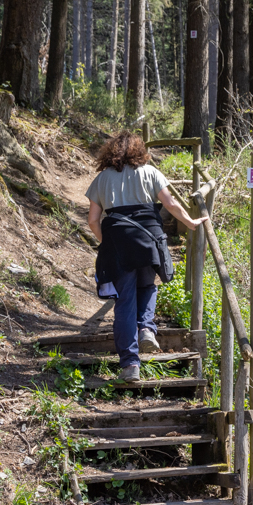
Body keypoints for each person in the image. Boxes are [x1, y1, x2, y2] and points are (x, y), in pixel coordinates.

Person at [86, 132, 207, 382]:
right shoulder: (150, 172)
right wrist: (191, 222)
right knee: (148, 287)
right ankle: (146, 329)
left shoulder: (102, 178)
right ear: (139, 150)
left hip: (119, 242)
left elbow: (93, 220)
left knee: (124, 301)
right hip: (148, 240)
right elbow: (171, 204)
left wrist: (107, 243)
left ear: (111, 152)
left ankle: (130, 365)